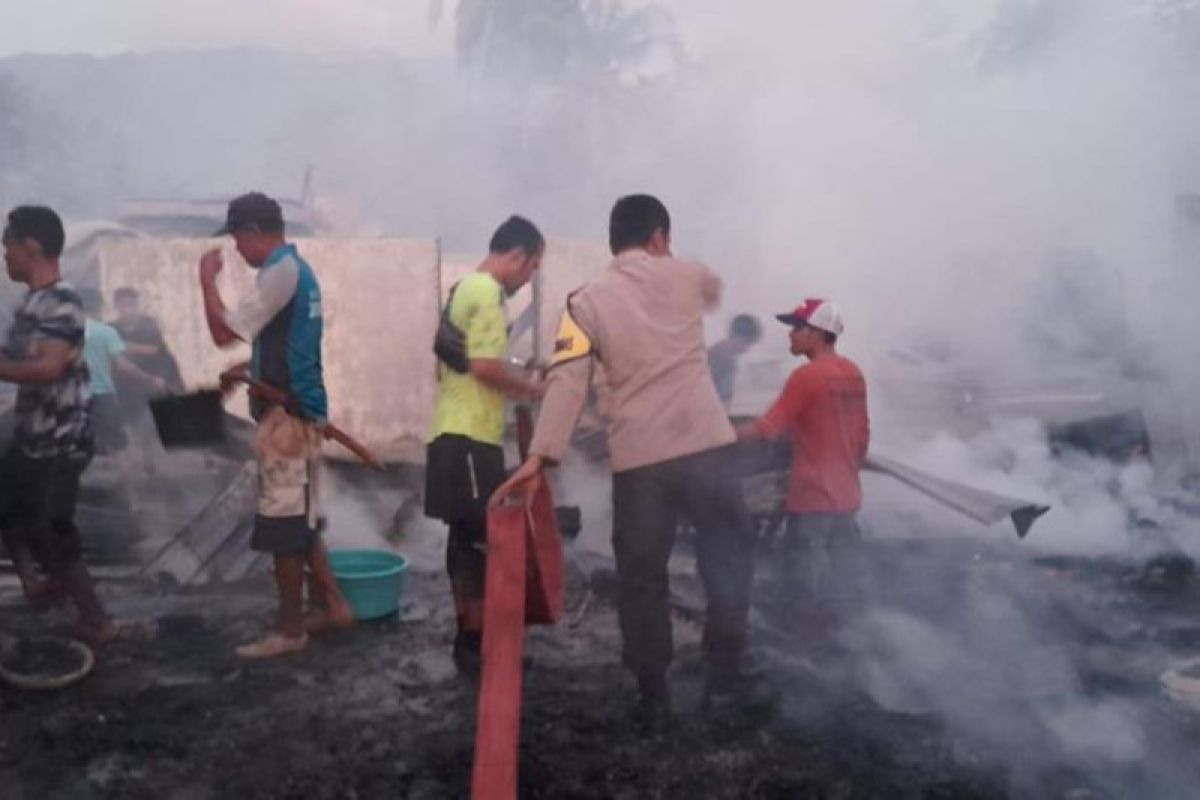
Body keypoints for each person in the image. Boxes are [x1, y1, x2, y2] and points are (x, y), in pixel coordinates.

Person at [493, 195, 758, 731]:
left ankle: (654, 694)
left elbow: (567, 382)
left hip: (643, 461)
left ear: (614, 244)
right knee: (727, 561)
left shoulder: (584, 303)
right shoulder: (686, 277)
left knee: (642, 578)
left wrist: (540, 457)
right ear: (660, 238)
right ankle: (723, 681)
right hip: (707, 444)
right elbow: (713, 290)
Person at [198, 191, 353, 659]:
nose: (237, 252)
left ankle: (289, 630)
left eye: (239, 240)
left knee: (284, 529)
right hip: (291, 410)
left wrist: (206, 280)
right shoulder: (292, 272)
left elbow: (223, 333)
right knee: (299, 523)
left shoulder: (281, 273)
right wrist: (249, 369)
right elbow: (285, 345)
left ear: (254, 232)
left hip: (290, 419)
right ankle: (335, 607)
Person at [425, 215, 546, 680]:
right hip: (471, 437)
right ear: (516, 255)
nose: (529, 276)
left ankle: (467, 642)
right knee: (481, 543)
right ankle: (480, 647)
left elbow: (473, 358)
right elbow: (484, 368)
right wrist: (534, 390)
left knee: (463, 541)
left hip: (450, 433)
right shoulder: (489, 294)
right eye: (532, 266)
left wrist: (514, 368)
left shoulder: (464, 288)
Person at [0, 206, 116, 644]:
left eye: (7, 244)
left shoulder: (62, 300)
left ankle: (98, 623)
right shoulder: (30, 303)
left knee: (52, 525)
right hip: (31, 433)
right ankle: (38, 586)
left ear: (31, 247)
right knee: (9, 509)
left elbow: (48, 368)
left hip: (62, 438)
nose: (3, 254)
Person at [735, 299, 870, 618]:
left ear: (818, 333)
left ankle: (805, 642)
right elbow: (862, 436)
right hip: (846, 495)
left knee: (804, 579)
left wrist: (715, 435)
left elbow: (767, 429)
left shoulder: (806, 377)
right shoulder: (853, 373)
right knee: (844, 575)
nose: (790, 335)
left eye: (797, 328)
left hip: (811, 496)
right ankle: (852, 636)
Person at [78, 288, 167, 455]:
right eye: (124, 305)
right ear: (115, 307)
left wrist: (121, 345)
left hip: (143, 383)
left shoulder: (148, 324)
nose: (128, 309)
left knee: (143, 425)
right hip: (117, 387)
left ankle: (143, 460)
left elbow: (154, 350)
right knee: (125, 429)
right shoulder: (109, 329)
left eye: (131, 304)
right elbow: (120, 363)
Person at [707, 313, 763, 410]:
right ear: (735, 336)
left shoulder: (723, 357)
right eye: (746, 343)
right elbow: (722, 398)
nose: (746, 349)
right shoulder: (721, 360)